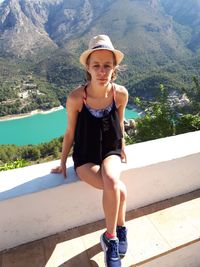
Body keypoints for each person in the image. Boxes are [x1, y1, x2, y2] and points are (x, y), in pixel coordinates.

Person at [51, 34, 128, 267]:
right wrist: (63, 161)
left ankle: (111, 237)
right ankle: (121, 228)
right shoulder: (77, 98)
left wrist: (122, 147)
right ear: (88, 68)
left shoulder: (120, 94)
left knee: (112, 179)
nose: (102, 71)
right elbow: (70, 133)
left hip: (111, 150)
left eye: (107, 66)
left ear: (114, 68)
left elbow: (120, 123)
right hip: (85, 156)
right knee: (119, 191)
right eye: (97, 66)